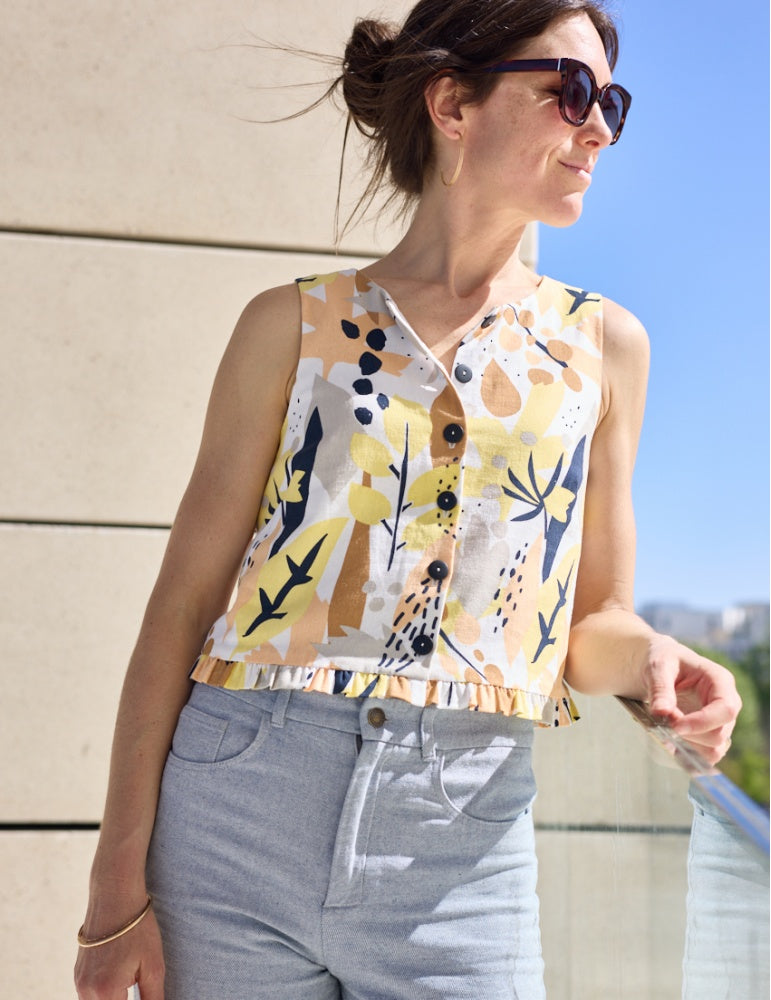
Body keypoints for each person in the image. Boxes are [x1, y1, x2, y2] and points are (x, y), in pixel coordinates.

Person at [74, 1, 742, 998]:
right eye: (572, 90)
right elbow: (178, 611)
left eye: (614, 102)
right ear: (452, 104)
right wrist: (112, 895)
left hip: (464, 842)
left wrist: (654, 657)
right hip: (234, 815)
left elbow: (587, 618)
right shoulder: (288, 327)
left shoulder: (605, 349)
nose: (598, 125)